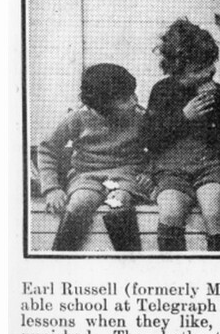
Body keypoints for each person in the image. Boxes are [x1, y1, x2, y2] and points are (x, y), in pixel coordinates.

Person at [142, 19, 220, 252]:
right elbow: (150, 139)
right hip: (172, 168)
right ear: (175, 71)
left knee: (215, 210)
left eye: (209, 66)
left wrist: (216, 111)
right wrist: (184, 116)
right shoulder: (162, 91)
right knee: (171, 211)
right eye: (196, 71)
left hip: (209, 165)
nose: (206, 74)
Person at [37, 63, 146, 252]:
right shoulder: (77, 118)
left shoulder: (140, 117)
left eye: (133, 94)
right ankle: (59, 260)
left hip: (126, 174)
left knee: (119, 203)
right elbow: (47, 150)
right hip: (86, 175)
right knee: (80, 203)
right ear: (102, 104)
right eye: (125, 98)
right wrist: (52, 188)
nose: (134, 100)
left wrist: (148, 173)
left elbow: (158, 147)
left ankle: (131, 263)